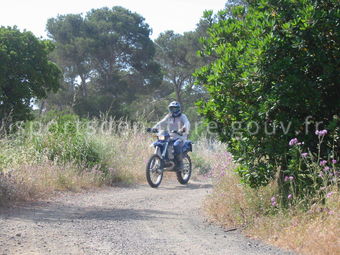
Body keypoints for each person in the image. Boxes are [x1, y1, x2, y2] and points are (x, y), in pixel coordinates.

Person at [152, 101, 190, 171]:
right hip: (170, 137)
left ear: (178, 109)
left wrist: (183, 129)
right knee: (160, 143)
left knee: (176, 145)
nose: (174, 110)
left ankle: (180, 163)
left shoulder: (182, 116)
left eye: (175, 108)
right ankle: (164, 160)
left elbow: (187, 123)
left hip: (180, 137)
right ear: (170, 109)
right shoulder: (169, 116)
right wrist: (154, 127)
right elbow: (162, 122)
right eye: (172, 109)